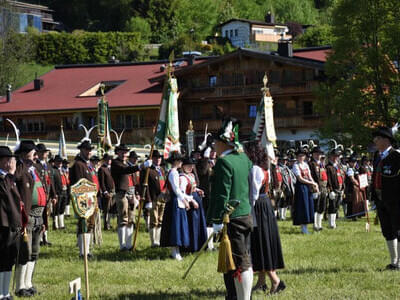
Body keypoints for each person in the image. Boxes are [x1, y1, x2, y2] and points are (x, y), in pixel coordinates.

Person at [207, 117, 253, 300]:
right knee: (237, 260)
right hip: (245, 214)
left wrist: (217, 220)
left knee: (240, 262)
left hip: (232, 218)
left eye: (216, 143)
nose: (214, 147)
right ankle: (235, 296)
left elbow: (221, 195)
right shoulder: (243, 158)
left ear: (223, 143)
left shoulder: (224, 163)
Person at [245, 141, 285, 295]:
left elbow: (254, 194)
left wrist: (249, 210)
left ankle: (276, 281)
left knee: (261, 243)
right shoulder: (264, 167)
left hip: (259, 206)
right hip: (265, 204)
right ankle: (261, 282)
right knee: (260, 243)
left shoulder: (255, 169)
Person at [14, 140, 46, 297]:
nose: (35, 156)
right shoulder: (19, 169)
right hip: (27, 216)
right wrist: (22, 162)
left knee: (34, 252)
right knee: (24, 253)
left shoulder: (35, 169)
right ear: (23, 154)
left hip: (39, 215)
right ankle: (20, 286)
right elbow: (16, 178)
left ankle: (28, 283)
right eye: (32, 153)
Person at [111, 145, 151, 251]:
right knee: (123, 219)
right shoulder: (115, 163)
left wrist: (136, 193)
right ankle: (122, 245)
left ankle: (129, 245)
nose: (124, 154)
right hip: (122, 193)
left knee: (131, 219)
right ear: (117, 152)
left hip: (131, 193)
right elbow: (125, 170)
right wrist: (141, 166)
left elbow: (133, 180)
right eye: (122, 152)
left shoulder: (125, 164)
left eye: (126, 152)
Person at [371, 126, 400, 270]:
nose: (375, 141)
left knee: (398, 229)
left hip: (395, 201)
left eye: (378, 138)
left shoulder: (396, 157)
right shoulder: (377, 156)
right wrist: (373, 198)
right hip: (381, 200)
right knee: (387, 231)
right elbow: (374, 178)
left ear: (386, 140)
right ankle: (394, 261)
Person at [0, 146, 24, 300]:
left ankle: (5, 292)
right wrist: (17, 222)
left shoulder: (9, 178)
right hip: (4, 224)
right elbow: (10, 203)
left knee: (9, 259)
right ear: (4, 162)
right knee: (1, 259)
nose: (14, 163)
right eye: (11, 160)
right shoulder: (2, 180)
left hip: (11, 224)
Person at [160, 151, 190, 260]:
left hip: (177, 201)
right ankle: (174, 251)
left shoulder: (175, 172)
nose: (182, 162)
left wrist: (186, 198)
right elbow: (176, 189)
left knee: (177, 226)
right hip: (174, 202)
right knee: (175, 227)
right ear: (176, 161)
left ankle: (176, 251)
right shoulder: (173, 173)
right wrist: (185, 200)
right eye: (180, 160)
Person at [69, 140, 95, 258]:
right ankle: (82, 252)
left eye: (90, 150)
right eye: (87, 150)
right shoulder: (78, 164)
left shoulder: (86, 164)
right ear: (81, 150)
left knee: (89, 224)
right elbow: (80, 183)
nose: (89, 152)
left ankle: (87, 250)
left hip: (90, 197)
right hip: (82, 198)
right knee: (83, 224)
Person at [180, 157, 207, 252]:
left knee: (199, 223)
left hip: (197, 199)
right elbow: (183, 193)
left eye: (191, 165)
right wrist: (192, 201)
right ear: (183, 167)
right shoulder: (182, 177)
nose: (191, 167)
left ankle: (200, 245)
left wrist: (199, 190)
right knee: (192, 224)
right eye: (188, 165)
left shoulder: (191, 175)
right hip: (191, 202)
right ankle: (192, 246)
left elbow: (193, 188)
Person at [142, 150, 167, 247]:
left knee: (161, 220)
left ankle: (158, 240)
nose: (158, 160)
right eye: (156, 158)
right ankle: (153, 241)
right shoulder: (148, 170)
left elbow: (164, 182)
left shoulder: (161, 169)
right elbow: (145, 185)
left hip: (163, 197)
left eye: (159, 158)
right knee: (154, 220)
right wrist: (148, 200)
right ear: (152, 159)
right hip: (153, 198)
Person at [292, 149, 318, 234]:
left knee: (309, 206)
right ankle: (303, 228)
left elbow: (309, 176)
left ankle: (307, 226)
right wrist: (311, 183)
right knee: (303, 207)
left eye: (302, 156)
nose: (301, 157)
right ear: (297, 157)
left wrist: (314, 183)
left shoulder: (306, 164)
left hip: (307, 187)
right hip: (301, 187)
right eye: (299, 156)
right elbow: (300, 178)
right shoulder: (295, 165)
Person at [308, 146, 328, 231]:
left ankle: (319, 224)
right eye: (316, 154)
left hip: (323, 187)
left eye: (319, 154)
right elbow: (311, 177)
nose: (318, 155)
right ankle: (315, 224)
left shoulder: (321, 164)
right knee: (315, 206)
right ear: (312, 155)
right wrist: (313, 188)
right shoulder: (311, 164)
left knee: (322, 206)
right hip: (316, 187)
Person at [326, 148, 345, 229]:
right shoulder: (328, 167)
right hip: (333, 190)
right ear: (330, 157)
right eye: (334, 156)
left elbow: (342, 177)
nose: (335, 158)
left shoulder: (338, 166)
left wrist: (343, 188)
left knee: (336, 206)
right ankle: (331, 224)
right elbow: (328, 180)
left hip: (339, 189)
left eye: (337, 156)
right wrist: (330, 191)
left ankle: (334, 222)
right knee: (332, 206)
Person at [52, 155, 69, 230]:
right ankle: (56, 224)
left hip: (64, 190)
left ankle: (61, 224)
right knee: (57, 209)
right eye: (58, 161)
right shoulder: (53, 170)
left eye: (61, 162)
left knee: (62, 207)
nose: (60, 163)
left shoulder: (62, 170)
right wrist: (54, 193)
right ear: (55, 162)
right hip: (57, 192)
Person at [98, 154, 115, 230]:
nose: (109, 161)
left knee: (111, 208)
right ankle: (106, 224)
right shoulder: (102, 169)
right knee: (106, 209)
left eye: (110, 159)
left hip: (113, 190)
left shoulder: (111, 168)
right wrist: (104, 192)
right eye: (107, 159)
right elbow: (101, 182)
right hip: (107, 191)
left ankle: (109, 223)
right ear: (104, 160)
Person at [277, 154, 296, 221]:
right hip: (283, 186)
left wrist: (294, 183)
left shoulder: (287, 168)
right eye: (283, 160)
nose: (285, 161)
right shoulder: (278, 168)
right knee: (282, 201)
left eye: (286, 160)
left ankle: (284, 215)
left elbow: (293, 177)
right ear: (280, 160)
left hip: (289, 186)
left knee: (287, 201)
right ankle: (281, 216)